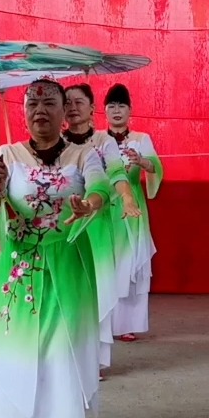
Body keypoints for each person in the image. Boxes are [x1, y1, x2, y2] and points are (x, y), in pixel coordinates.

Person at [0, 78, 111, 418]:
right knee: (22, 344)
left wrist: (92, 203)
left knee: (59, 344)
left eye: (49, 103)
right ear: (22, 112)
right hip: (21, 266)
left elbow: (100, 186)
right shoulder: (6, 154)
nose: (40, 110)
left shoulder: (83, 154)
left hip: (67, 259)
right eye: (32, 104)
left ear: (64, 110)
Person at [64, 84, 141, 377]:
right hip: (65, 228)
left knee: (97, 293)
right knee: (70, 292)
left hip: (96, 225)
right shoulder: (56, 143)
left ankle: (93, 360)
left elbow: (116, 172)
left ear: (92, 107)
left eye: (79, 102)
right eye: (67, 102)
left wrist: (128, 196)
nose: (73, 107)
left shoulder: (103, 141)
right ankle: (69, 354)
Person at [103, 83, 162, 342]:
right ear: (103, 111)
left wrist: (141, 162)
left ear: (130, 110)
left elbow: (156, 167)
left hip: (132, 211)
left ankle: (127, 324)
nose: (116, 111)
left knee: (129, 267)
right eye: (111, 106)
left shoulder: (141, 139)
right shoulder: (98, 140)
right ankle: (104, 323)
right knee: (106, 266)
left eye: (121, 106)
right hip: (104, 209)